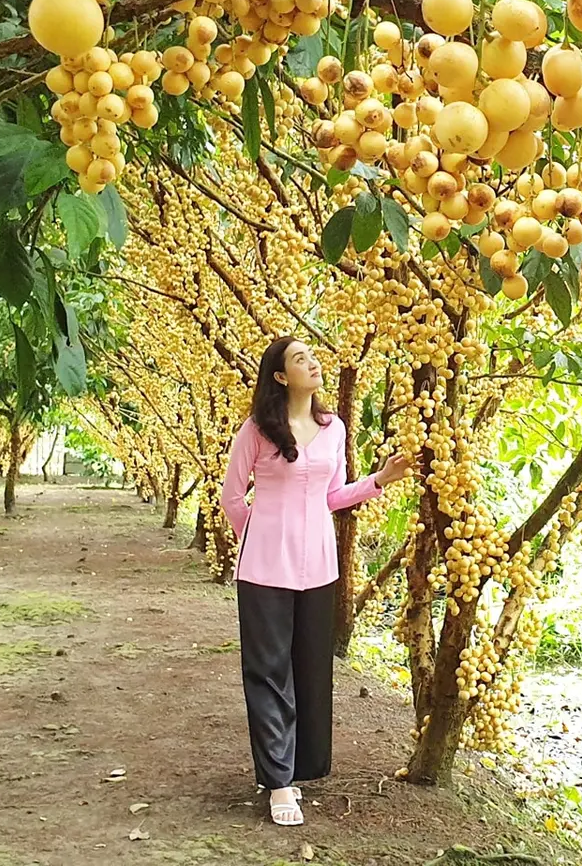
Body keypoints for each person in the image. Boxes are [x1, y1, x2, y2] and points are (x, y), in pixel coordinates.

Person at [219, 336, 411, 827]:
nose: (312, 363)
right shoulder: (258, 430)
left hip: (319, 566)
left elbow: (332, 496)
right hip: (264, 567)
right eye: (300, 359)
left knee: (309, 668)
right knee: (267, 672)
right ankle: (278, 783)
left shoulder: (333, 428)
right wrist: (259, 537)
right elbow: (233, 498)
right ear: (281, 377)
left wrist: (380, 479)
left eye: (312, 356)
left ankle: (298, 766)